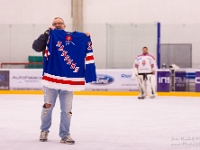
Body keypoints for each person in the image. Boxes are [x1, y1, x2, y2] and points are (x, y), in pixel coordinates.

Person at [32, 17, 91, 144]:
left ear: (64, 25)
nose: (58, 25)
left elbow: (82, 47)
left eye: (60, 23)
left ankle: (65, 134)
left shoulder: (72, 39)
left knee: (67, 110)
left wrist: (85, 38)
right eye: (55, 23)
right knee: (48, 106)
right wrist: (46, 34)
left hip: (68, 81)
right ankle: (44, 130)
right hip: (51, 80)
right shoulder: (49, 37)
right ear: (52, 25)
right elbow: (36, 47)